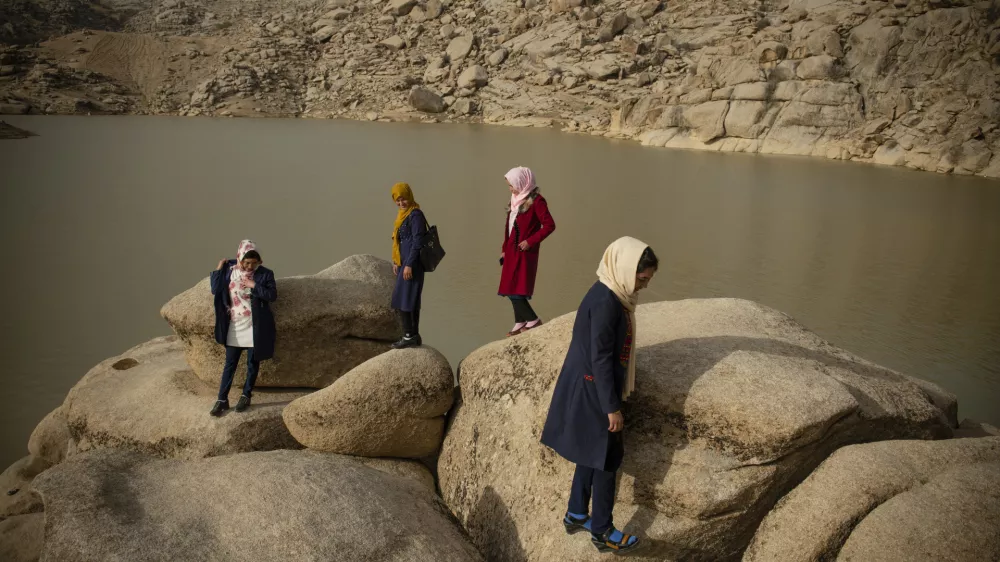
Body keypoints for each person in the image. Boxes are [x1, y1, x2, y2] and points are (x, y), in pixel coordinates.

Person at [540, 236, 659, 554]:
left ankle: (577, 514)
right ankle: (603, 531)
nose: (643, 286)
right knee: (606, 460)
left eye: (646, 280)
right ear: (625, 268)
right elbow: (601, 357)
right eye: (641, 278)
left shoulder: (608, 292)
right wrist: (612, 407)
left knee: (589, 454)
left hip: (586, 384)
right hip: (595, 390)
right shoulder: (607, 302)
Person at [209, 239, 277, 416]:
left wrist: (254, 286)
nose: (250, 267)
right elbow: (215, 289)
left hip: (255, 327)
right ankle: (222, 400)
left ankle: (246, 395)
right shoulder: (228, 271)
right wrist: (218, 267)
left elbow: (272, 295)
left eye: (254, 263)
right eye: (246, 262)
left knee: (252, 364)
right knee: (229, 364)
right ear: (239, 257)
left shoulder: (265, 274)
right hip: (234, 326)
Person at [498, 166, 556, 337]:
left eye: (512, 185)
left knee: (516, 289)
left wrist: (530, 241)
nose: (510, 189)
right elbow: (508, 227)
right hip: (511, 251)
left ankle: (533, 320)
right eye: (509, 186)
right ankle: (520, 322)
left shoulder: (537, 201)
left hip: (524, 252)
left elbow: (550, 225)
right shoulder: (515, 199)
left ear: (522, 183)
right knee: (509, 287)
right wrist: (504, 249)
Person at [390, 182, 427, 349]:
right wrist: (397, 262)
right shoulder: (402, 215)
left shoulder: (415, 215)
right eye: (397, 200)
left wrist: (409, 265)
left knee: (406, 299)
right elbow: (398, 241)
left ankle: (408, 335)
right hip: (404, 263)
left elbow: (418, 241)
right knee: (406, 298)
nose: (401, 203)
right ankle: (413, 335)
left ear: (409, 197)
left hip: (413, 264)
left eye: (403, 199)